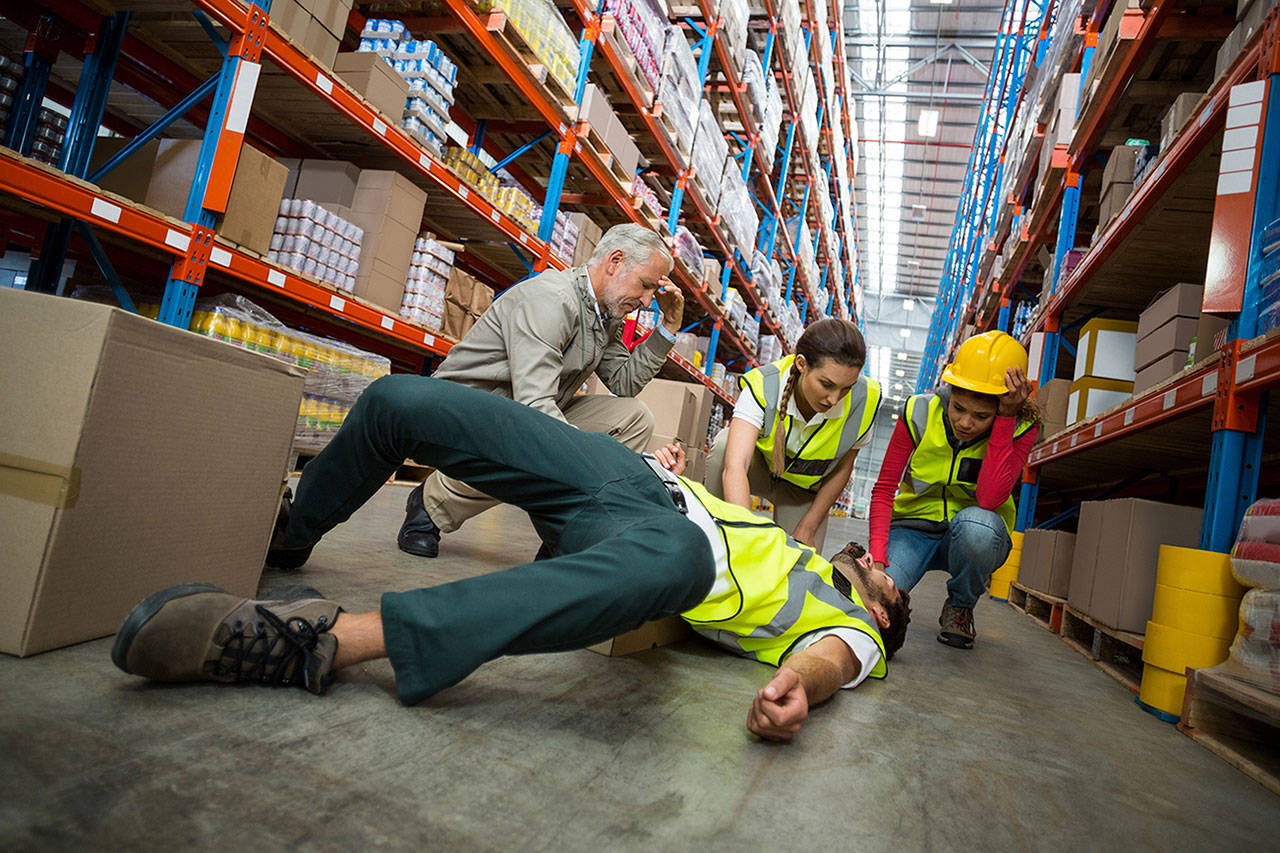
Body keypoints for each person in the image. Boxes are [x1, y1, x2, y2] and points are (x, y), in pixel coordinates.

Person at [112, 375, 910, 741]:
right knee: (400, 402)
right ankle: (290, 535)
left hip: (659, 546)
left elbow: (830, 662)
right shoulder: (798, 548)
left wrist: (796, 689)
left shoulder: (850, 625)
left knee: (680, 558)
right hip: (630, 479)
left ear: (882, 607)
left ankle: (320, 641)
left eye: (887, 577)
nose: (877, 560)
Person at [392, 223, 685, 560]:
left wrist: (668, 327)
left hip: (519, 412)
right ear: (615, 261)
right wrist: (596, 461)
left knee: (633, 418)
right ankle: (431, 504)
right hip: (464, 414)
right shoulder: (552, 299)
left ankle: (571, 530)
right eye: (645, 286)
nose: (647, 301)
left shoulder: (605, 314)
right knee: (545, 447)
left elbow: (625, 383)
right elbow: (535, 406)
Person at [867, 330, 1039, 650]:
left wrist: (1004, 421)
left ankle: (960, 607)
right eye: (958, 408)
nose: (965, 423)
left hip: (976, 535)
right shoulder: (919, 411)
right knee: (876, 604)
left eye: (981, 416)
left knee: (978, 528)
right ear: (950, 389)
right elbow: (884, 489)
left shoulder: (1021, 427)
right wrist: (877, 560)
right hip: (913, 530)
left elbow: (990, 498)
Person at [705, 318, 881, 551]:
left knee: (799, 561)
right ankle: (714, 532)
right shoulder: (765, 384)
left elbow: (843, 469)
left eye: (846, 388)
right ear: (801, 364)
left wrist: (808, 526)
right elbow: (736, 465)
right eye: (826, 384)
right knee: (724, 444)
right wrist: (745, 533)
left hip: (803, 492)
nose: (834, 399)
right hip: (760, 470)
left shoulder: (865, 401)